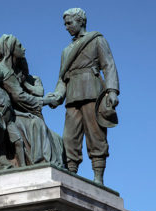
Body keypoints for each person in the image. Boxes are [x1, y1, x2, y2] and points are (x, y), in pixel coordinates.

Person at [47, 8, 120, 185]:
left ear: (81, 21)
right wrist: (56, 96)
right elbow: (62, 79)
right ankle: (71, 173)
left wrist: (112, 91)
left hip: (92, 92)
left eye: (69, 23)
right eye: (65, 24)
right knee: (69, 138)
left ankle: (98, 178)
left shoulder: (97, 40)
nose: (66, 27)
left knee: (96, 136)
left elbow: (108, 65)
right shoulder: (66, 51)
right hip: (72, 97)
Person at [0, 34, 65, 167]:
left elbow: (32, 92)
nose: (24, 48)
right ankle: (39, 161)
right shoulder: (4, 71)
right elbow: (19, 96)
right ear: (10, 49)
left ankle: (52, 165)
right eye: (19, 46)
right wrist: (45, 101)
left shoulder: (14, 71)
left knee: (57, 139)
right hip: (6, 117)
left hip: (15, 113)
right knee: (36, 123)